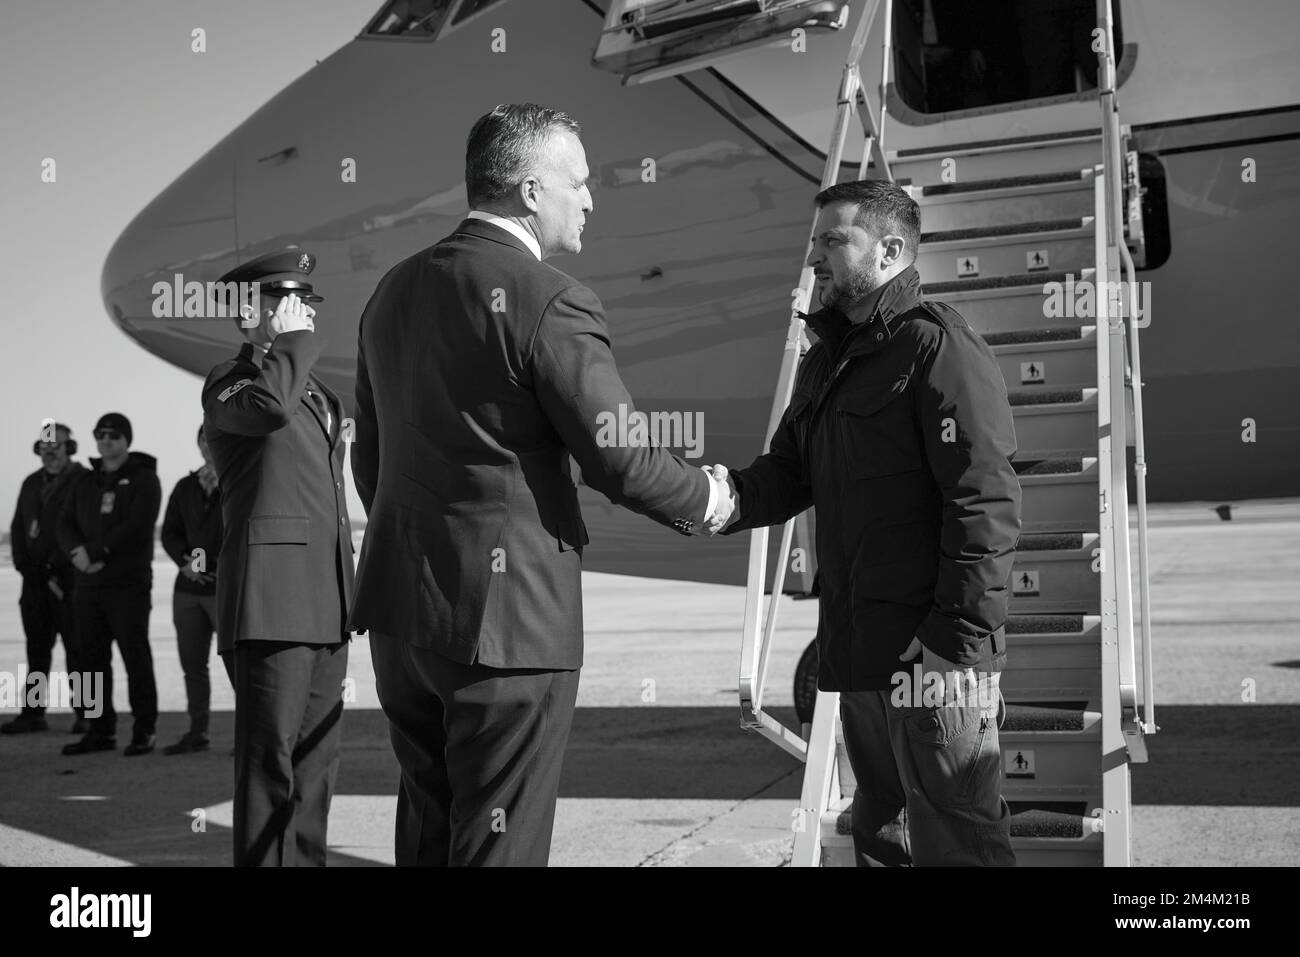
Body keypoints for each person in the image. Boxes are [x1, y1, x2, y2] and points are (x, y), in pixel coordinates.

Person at [349, 103, 734, 866]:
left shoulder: (390, 292)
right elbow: (620, 456)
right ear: (530, 190)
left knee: (430, 829)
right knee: (501, 844)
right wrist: (714, 500)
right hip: (508, 627)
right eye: (580, 182)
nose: (590, 199)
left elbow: (373, 458)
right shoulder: (549, 298)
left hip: (401, 617)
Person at [713, 179, 1021, 866]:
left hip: (934, 663)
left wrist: (956, 643)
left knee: (959, 841)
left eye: (832, 240)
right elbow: (787, 475)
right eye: (814, 239)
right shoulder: (828, 360)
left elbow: (984, 503)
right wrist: (713, 496)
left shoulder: (937, 349)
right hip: (860, 660)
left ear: (888, 250)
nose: (815, 255)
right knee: (883, 837)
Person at [202, 249, 353, 867]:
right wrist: (289, 344)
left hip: (325, 604)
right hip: (270, 606)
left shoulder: (315, 393)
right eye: (287, 303)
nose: (303, 314)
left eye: (306, 305)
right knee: (270, 767)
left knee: (315, 770)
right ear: (248, 313)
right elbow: (268, 410)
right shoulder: (229, 381)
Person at [57, 413, 162, 756]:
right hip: (88, 585)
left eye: (114, 435)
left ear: (126, 440)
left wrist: (97, 551)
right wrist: (78, 554)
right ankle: (100, 731)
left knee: (135, 659)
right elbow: (65, 521)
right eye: (100, 434)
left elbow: (137, 526)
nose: (106, 440)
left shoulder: (145, 479)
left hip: (127, 586)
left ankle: (144, 731)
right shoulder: (85, 482)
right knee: (90, 661)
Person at [4, 423, 88, 734]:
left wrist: (56, 566)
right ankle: (33, 713)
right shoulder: (29, 483)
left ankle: (87, 713)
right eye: (45, 447)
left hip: (68, 580)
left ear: (71, 448)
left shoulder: (82, 481)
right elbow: (16, 527)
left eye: (57, 446)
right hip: (34, 581)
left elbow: (80, 528)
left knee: (77, 649)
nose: (50, 452)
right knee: (36, 649)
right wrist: (24, 566)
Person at [159, 425, 230, 755]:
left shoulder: (238, 481)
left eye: (213, 437)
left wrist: (214, 566)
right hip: (187, 589)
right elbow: (169, 533)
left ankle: (250, 736)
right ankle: (197, 732)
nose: (207, 444)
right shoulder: (185, 486)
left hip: (224, 589)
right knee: (193, 666)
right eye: (203, 438)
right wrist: (186, 563)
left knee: (238, 667)